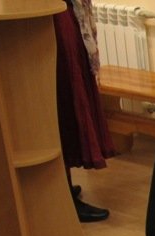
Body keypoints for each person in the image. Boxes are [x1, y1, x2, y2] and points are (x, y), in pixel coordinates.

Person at [54, 0, 115, 222]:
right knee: (64, 102)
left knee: (69, 98)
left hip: (66, 11)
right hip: (51, 19)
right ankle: (62, 196)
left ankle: (63, 187)